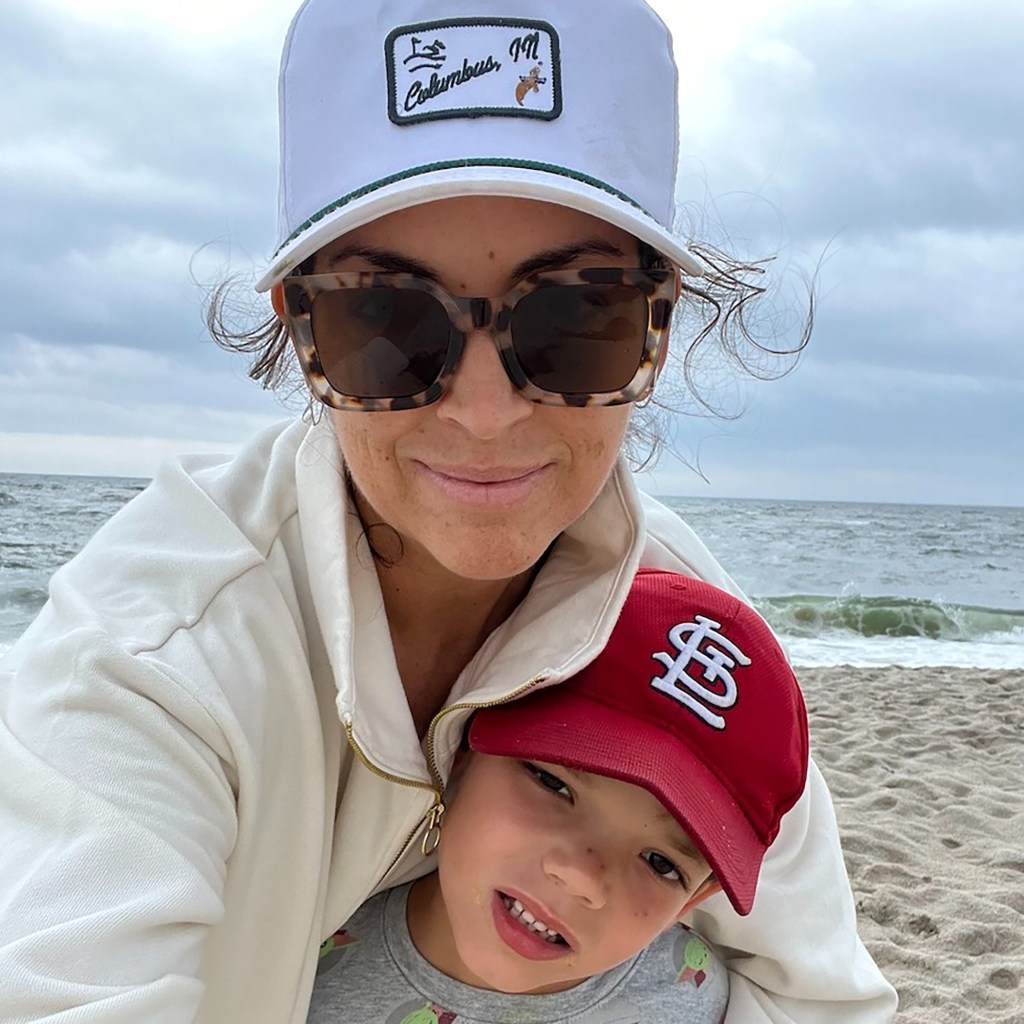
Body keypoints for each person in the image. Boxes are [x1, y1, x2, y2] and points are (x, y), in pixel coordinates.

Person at [0, 1, 897, 1022]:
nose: (483, 411)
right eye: (386, 318)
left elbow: (821, 992)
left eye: (575, 317)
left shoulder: (686, 623)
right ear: (303, 332)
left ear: (654, 331)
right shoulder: (143, 669)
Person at [308, 570, 809, 1024]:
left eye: (660, 863)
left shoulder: (693, 1001)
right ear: (460, 752)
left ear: (694, 899)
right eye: (552, 784)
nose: (580, 877)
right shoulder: (306, 954)